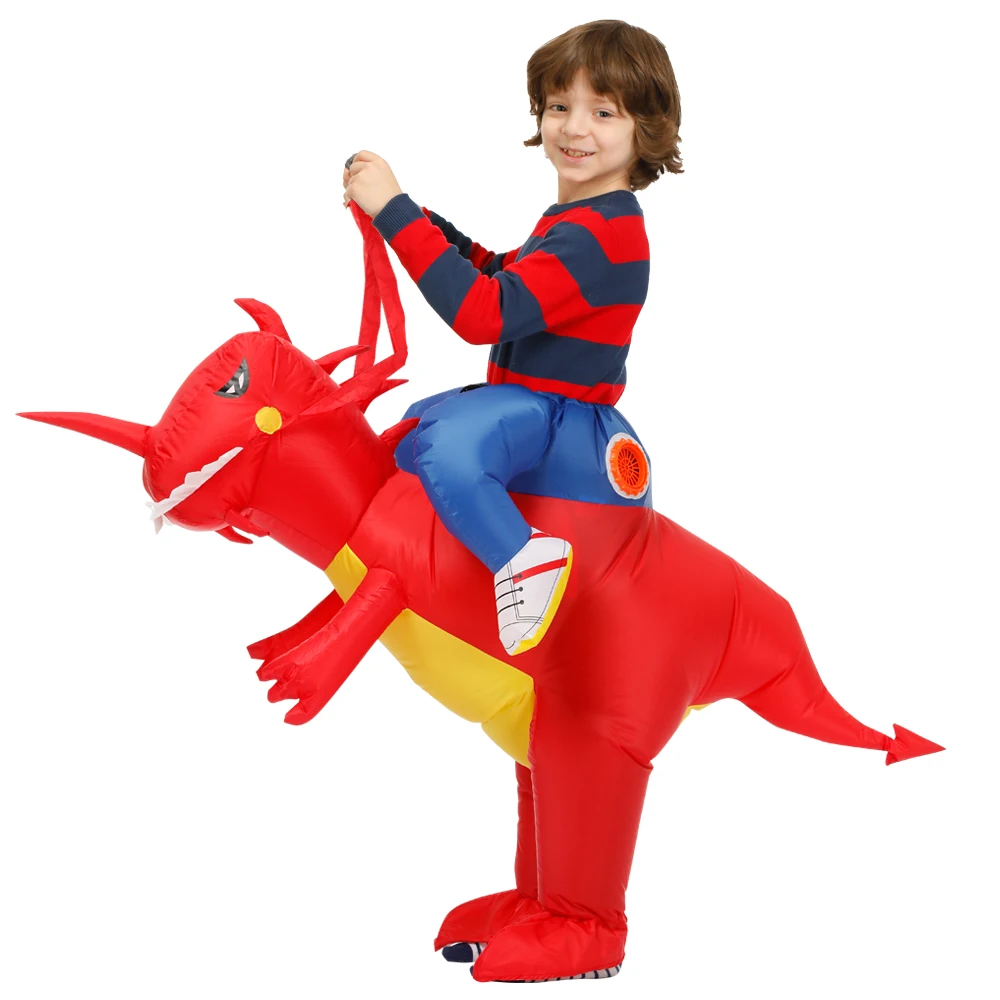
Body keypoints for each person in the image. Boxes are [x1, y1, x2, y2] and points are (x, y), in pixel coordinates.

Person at [342, 19, 682, 656]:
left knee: (446, 446)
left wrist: (395, 213)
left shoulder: (604, 235)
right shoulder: (581, 220)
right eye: (559, 107)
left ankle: (521, 557)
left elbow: (483, 313)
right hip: (533, 407)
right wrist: (409, 216)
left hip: (563, 421)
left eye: (603, 112)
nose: (575, 128)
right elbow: (501, 274)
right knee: (414, 430)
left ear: (646, 130)